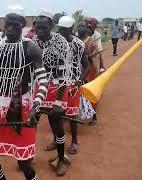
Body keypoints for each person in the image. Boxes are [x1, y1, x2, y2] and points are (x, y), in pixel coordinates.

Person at [0, 6, 48, 180]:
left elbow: (43, 81)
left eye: (14, 25)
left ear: (22, 27)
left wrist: (35, 108)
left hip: (22, 109)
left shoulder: (31, 48)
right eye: (7, 25)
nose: (10, 29)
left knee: (24, 162)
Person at [33, 11, 72, 176]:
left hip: (58, 87)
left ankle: (62, 159)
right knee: (31, 122)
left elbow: (64, 75)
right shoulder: (32, 42)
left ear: (51, 26)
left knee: (56, 121)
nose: (40, 30)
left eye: (44, 27)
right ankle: (26, 157)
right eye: (38, 27)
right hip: (38, 86)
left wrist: (57, 103)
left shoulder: (60, 42)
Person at [57, 16, 89, 156]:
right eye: (60, 30)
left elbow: (86, 66)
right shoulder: (56, 43)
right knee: (57, 114)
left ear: (70, 29)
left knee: (72, 114)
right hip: (58, 83)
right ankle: (56, 140)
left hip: (73, 83)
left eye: (64, 30)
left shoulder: (78, 44)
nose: (61, 33)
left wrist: (79, 82)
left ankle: (74, 141)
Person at [85, 17, 106, 125]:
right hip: (82, 66)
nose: (89, 28)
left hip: (92, 64)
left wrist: (102, 65)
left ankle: (93, 115)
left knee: (92, 89)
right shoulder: (80, 35)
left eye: (91, 26)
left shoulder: (96, 36)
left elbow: (99, 51)